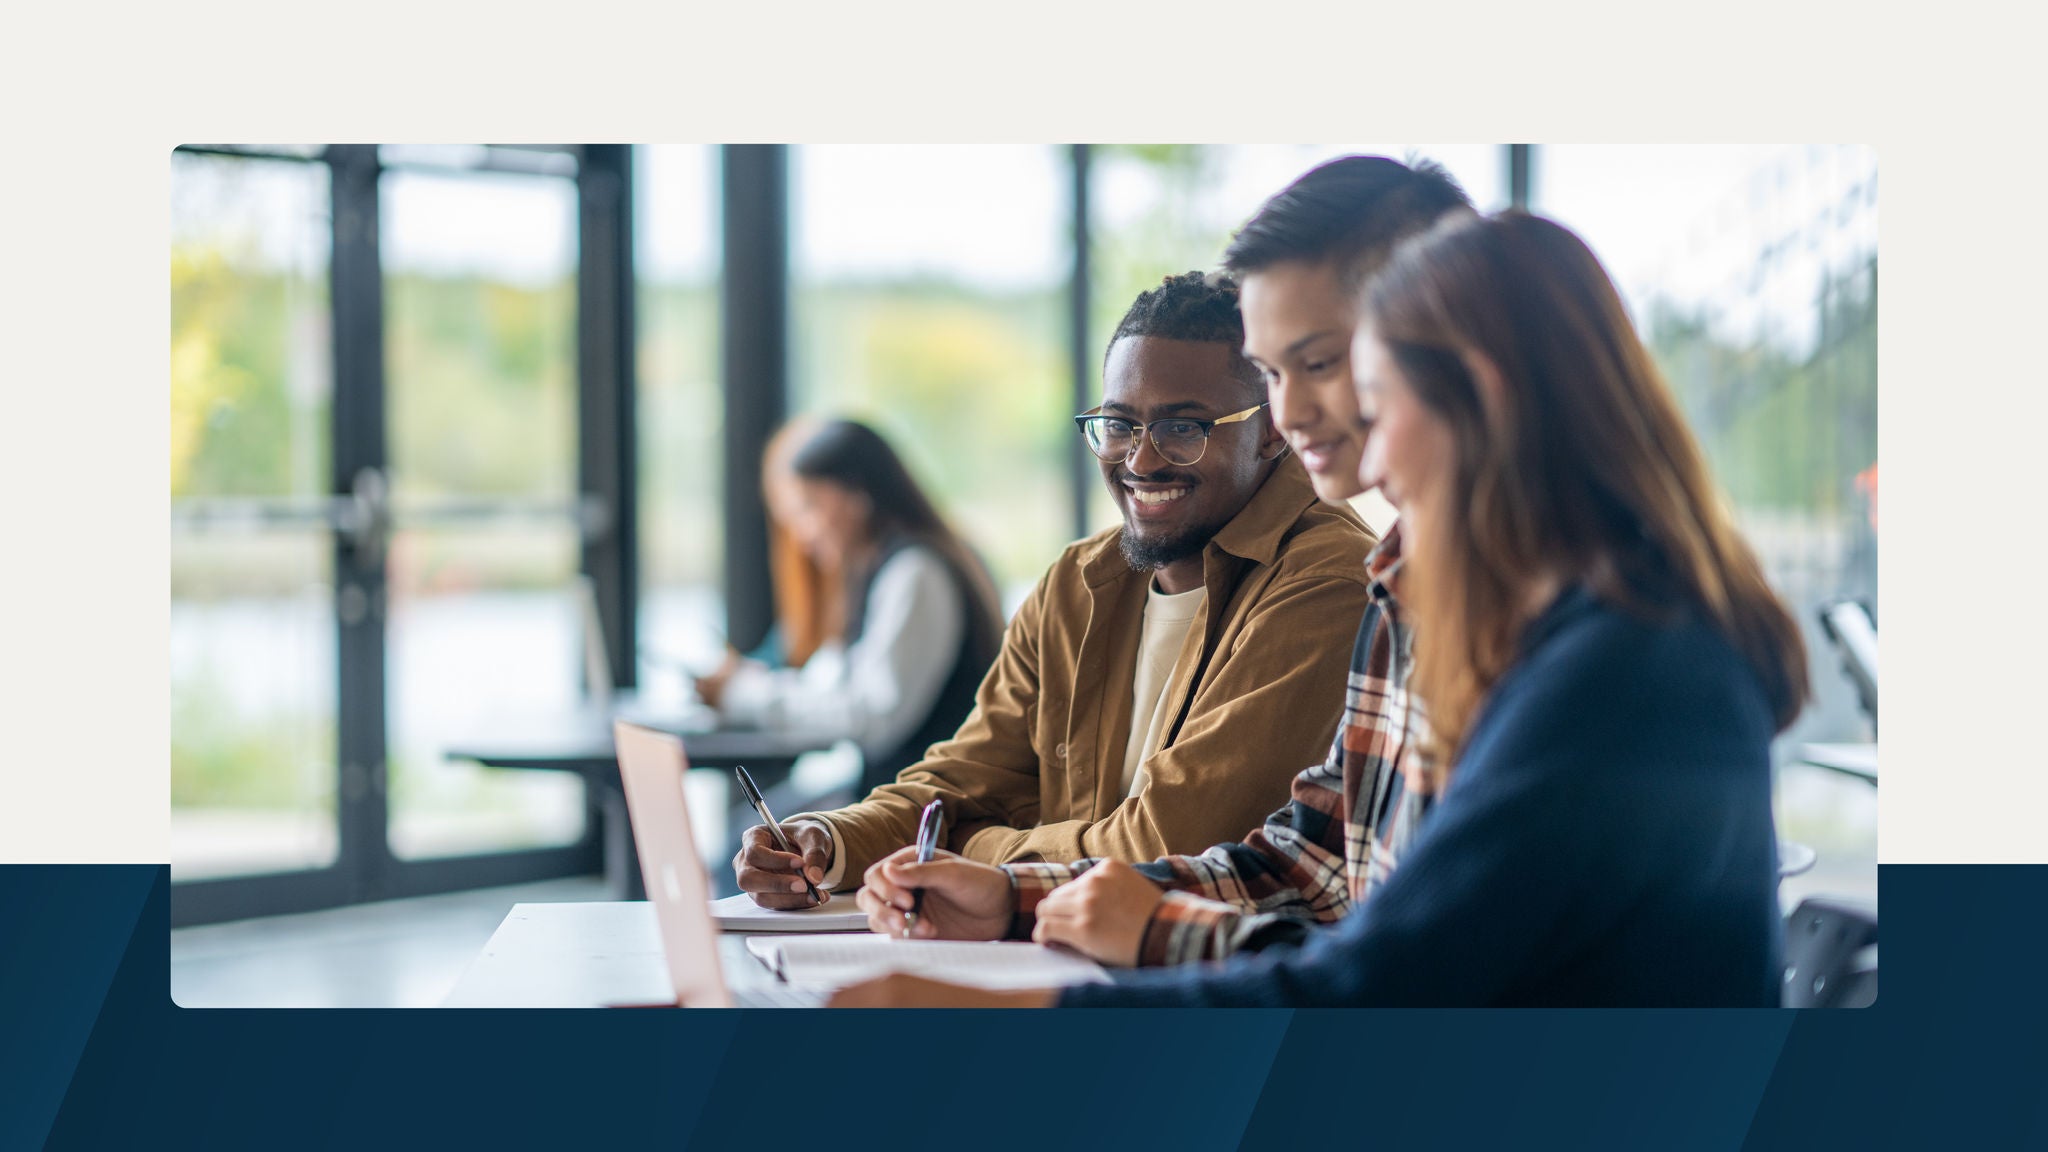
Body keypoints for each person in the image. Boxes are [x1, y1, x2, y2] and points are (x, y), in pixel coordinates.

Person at [833, 209, 1808, 1007]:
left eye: (1369, 405)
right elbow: (1311, 864)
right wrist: (1013, 897)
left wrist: (1037, 1006)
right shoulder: (1430, 604)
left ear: (1481, 399)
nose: (1360, 456)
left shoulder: (1623, 665)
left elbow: (1392, 989)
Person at [844, 155, 1474, 965]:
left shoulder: (1503, 608)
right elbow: (1306, 866)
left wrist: (988, 862)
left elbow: (1406, 977)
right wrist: (1009, 893)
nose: (1299, 410)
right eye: (1279, 373)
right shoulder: (1407, 584)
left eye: (1321, 364)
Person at [734, 272, 1379, 908]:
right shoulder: (1080, 583)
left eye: (1184, 428)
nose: (1141, 460)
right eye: (1120, 425)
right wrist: (828, 840)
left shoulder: (1326, 582)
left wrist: (969, 851)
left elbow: (1162, 850)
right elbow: (959, 782)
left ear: (1270, 428)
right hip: (1056, 957)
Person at [693, 418, 1006, 799]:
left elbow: (874, 716)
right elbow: (835, 684)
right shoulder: (876, 572)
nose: (802, 534)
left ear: (857, 496)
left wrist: (746, 694)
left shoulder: (916, 573)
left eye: (810, 507)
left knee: (750, 844)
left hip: (925, 810)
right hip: (900, 799)